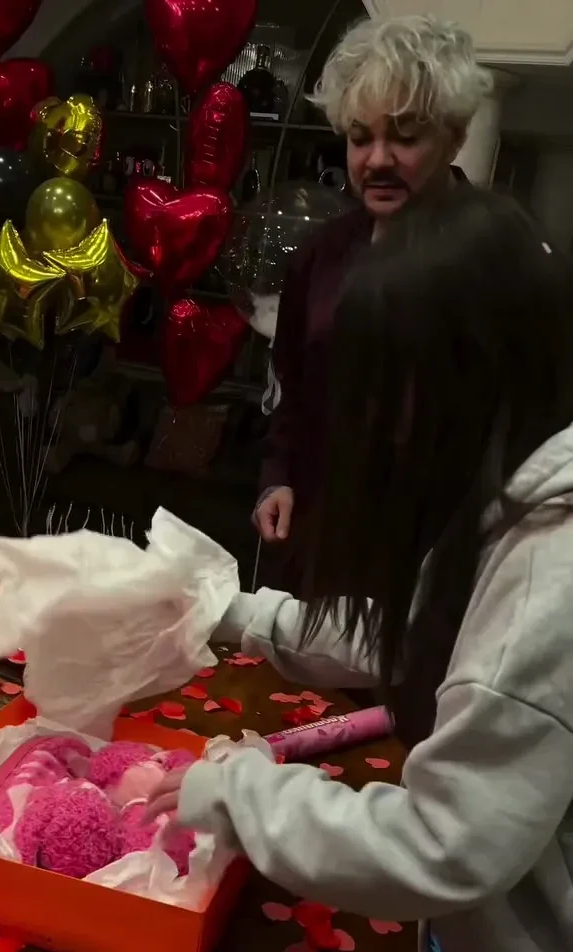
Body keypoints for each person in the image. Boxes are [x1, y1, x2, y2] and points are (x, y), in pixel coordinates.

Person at [149, 186, 573, 952]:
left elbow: (443, 841)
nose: (375, 427)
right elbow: (412, 632)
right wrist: (237, 613)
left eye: (391, 391)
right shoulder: (510, 494)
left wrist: (240, 788)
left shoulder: (552, 574)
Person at [255, 14, 491, 555]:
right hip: (321, 536)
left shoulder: (499, 257)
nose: (378, 160)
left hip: (444, 553)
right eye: (360, 138)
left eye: (406, 137)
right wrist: (278, 477)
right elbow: (293, 387)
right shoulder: (322, 254)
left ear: (455, 138)